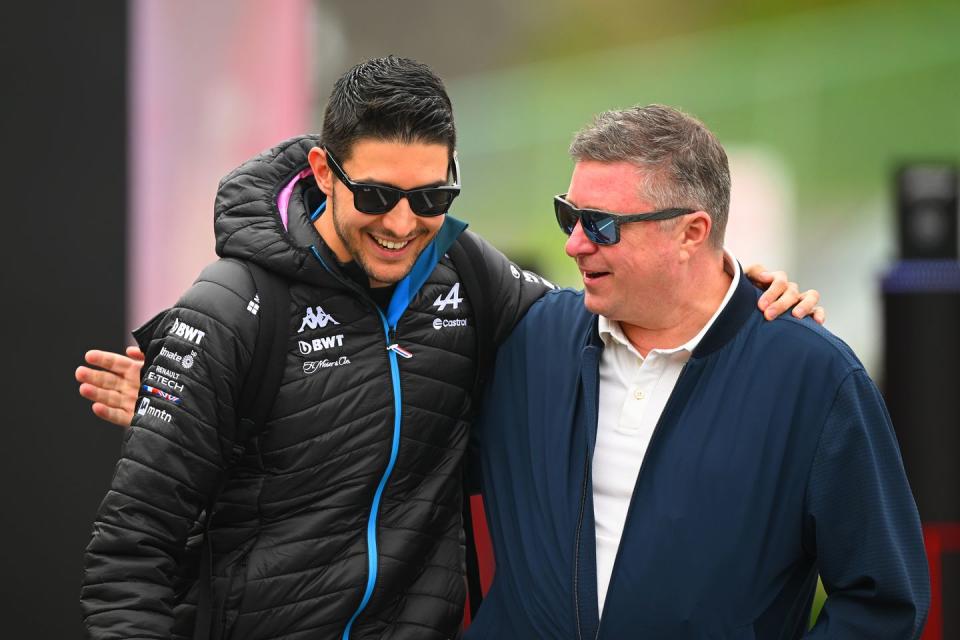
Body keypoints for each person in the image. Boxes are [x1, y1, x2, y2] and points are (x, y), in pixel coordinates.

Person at [78, 58, 822, 639]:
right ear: (321, 174)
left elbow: (612, 318)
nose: (403, 223)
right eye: (376, 196)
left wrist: (735, 294)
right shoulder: (233, 305)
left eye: (432, 198)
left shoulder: (468, 275)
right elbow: (128, 556)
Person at [464, 104, 929, 639]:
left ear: (691, 232)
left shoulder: (814, 377)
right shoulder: (527, 341)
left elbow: (882, 602)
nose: (574, 243)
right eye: (569, 216)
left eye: (602, 225)